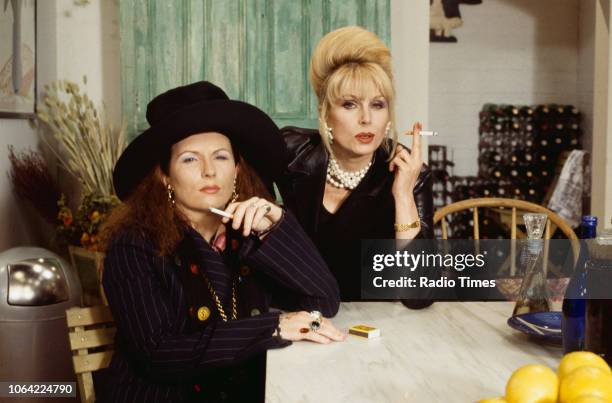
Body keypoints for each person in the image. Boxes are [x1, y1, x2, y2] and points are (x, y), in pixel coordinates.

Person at [100, 81, 344, 403]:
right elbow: (160, 353)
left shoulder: (248, 233)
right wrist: (272, 327)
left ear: (237, 168)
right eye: (189, 159)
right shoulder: (132, 244)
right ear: (164, 175)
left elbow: (323, 300)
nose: (209, 171)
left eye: (221, 156)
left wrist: (276, 227)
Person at [277, 26, 435, 305]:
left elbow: (419, 295)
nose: (366, 119)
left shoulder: (411, 173)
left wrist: (403, 195)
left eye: (377, 104)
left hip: (375, 328)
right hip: (301, 319)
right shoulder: (292, 151)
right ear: (326, 113)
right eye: (350, 104)